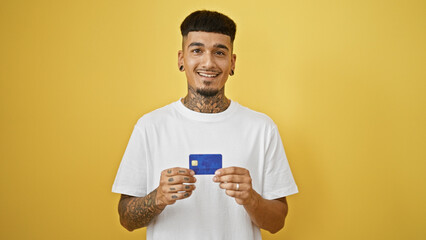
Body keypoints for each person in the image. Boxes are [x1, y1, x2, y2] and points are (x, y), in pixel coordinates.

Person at [112, 10, 298, 240]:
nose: (208, 62)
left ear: (232, 62)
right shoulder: (150, 127)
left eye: (219, 52)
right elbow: (126, 219)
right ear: (182, 59)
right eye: (197, 50)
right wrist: (158, 197)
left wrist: (251, 199)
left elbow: (277, 222)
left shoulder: (262, 129)